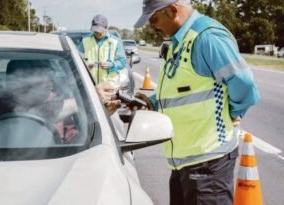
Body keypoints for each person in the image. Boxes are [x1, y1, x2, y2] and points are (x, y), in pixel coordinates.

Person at [134, 0, 260, 204]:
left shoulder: (207, 38)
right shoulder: (179, 41)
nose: (152, 26)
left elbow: (244, 83)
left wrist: (233, 113)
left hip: (208, 164)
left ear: (173, 11)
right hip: (184, 161)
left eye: (154, 18)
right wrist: (152, 102)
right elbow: (183, 89)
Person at [77, 14, 127, 84]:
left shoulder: (115, 42)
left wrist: (111, 65)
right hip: (90, 84)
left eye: (100, 30)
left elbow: (122, 62)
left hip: (110, 84)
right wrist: (86, 65)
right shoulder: (85, 41)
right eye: (95, 30)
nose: (97, 33)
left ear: (106, 28)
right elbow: (77, 59)